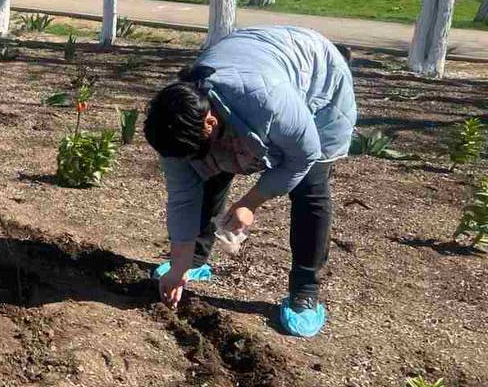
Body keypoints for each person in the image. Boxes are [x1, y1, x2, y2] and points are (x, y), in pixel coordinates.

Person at [143, 26, 356, 338]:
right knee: (207, 167)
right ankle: (197, 260)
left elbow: (302, 155)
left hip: (317, 77)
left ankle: (305, 291)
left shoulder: (267, 100)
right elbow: (183, 197)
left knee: (310, 187)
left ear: (211, 122)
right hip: (251, 58)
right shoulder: (175, 123)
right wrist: (179, 267)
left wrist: (250, 203)